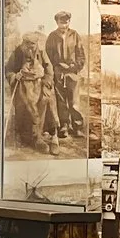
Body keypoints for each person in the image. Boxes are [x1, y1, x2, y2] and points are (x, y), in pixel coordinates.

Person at [44, 10, 85, 150]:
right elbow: (48, 56)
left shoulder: (75, 35)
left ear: (69, 22)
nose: (64, 24)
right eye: (61, 21)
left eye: (66, 21)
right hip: (59, 72)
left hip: (72, 72)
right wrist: (57, 66)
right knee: (61, 102)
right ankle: (64, 126)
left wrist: (75, 66)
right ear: (57, 22)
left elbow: (80, 54)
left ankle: (78, 126)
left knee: (74, 101)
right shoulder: (52, 36)